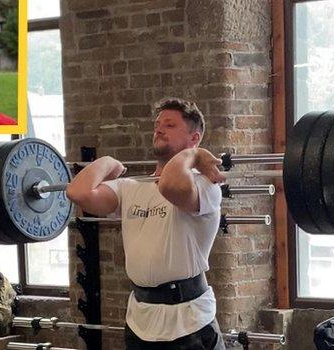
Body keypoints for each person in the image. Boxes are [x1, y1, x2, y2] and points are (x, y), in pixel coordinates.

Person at [67, 97, 227, 349]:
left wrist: (193, 156)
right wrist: (107, 161)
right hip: (140, 321)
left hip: (189, 322)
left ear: (193, 138)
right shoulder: (131, 187)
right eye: (157, 124)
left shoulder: (205, 185)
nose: (159, 129)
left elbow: (170, 185)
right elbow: (79, 193)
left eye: (170, 125)